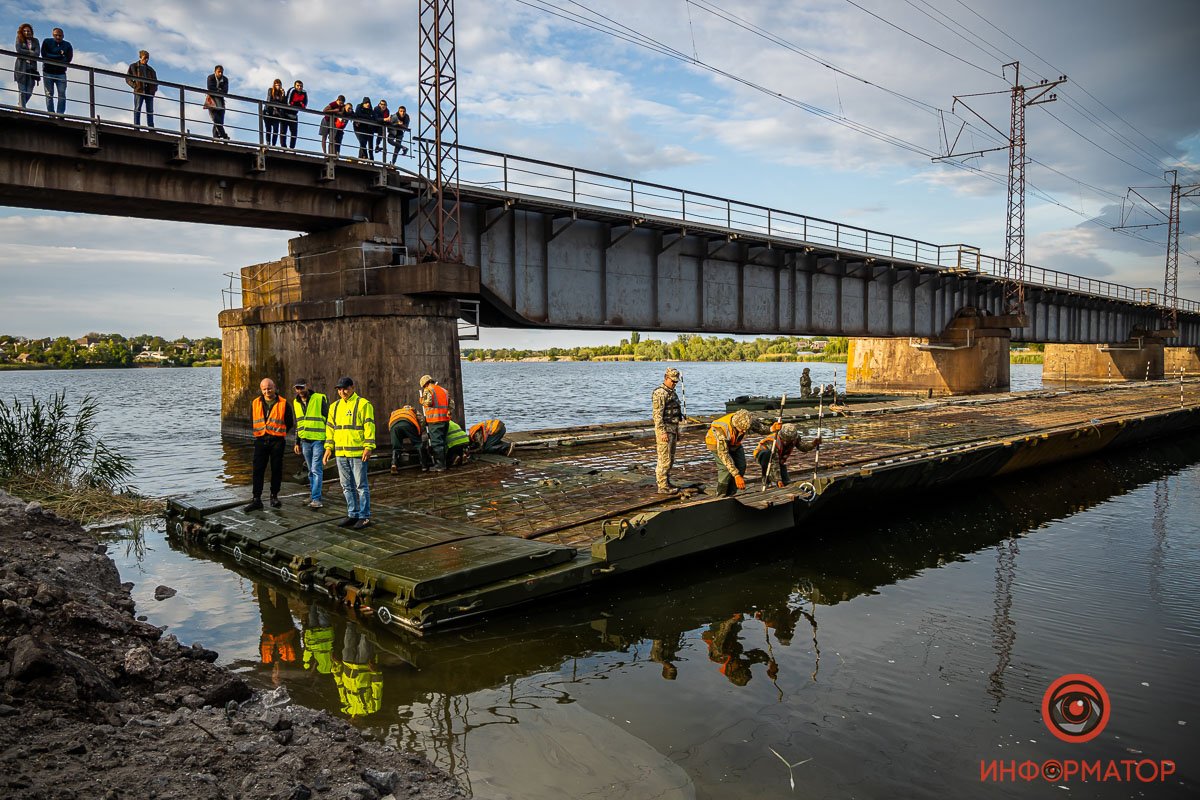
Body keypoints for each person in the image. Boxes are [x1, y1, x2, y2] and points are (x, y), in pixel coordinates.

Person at [322, 376, 375, 530]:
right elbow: (330, 429)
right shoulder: (334, 407)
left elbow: (369, 426)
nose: (342, 392)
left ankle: (364, 516)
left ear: (352, 387)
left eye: (345, 388)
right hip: (341, 453)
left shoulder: (363, 404)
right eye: (339, 389)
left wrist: (368, 446)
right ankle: (353, 513)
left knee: (361, 485)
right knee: (346, 486)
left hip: (358, 453)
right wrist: (328, 448)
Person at [243, 378, 295, 512]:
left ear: (275, 387)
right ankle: (256, 499)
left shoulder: (284, 403)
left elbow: (289, 422)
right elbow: (252, 419)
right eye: (264, 389)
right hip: (260, 440)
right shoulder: (255, 403)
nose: (267, 391)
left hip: (277, 441)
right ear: (261, 390)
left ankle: (274, 496)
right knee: (258, 469)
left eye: (269, 388)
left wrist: (278, 432)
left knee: (276, 469)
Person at [705, 409, 772, 497]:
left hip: (734, 443)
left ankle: (732, 492)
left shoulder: (746, 419)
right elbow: (724, 454)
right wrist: (736, 475)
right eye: (742, 430)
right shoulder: (721, 430)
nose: (744, 432)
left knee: (741, 465)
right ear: (736, 425)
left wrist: (771, 429)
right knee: (725, 469)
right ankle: (721, 494)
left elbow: (759, 428)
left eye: (745, 430)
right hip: (716, 443)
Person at [292, 379, 329, 509]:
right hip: (305, 441)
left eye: (301, 388)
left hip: (318, 439)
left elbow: (328, 419)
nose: (300, 391)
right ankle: (313, 496)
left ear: (307, 386)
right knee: (310, 470)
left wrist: (329, 441)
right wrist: (297, 442)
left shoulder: (319, 398)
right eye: (297, 388)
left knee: (316, 470)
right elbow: (299, 423)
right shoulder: (296, 403)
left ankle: (317, 499)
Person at [333, 622, 382, 718]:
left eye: (352, 723)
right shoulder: (372, 708)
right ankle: (367, 615)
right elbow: (377, 687)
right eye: (357, 725)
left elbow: (339, 684)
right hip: (364, 666)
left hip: (347, 662)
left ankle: (351, 613)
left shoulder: (346, 705)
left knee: (349, 631)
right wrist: (375, 672)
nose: (354, 722)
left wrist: (336, 665)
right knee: (366, 635)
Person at [752, 422, 820, 488]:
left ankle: (778, 481)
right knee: (768, 463)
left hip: (778, 459)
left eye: (789, 441)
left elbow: (803, 447)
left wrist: (813, 444)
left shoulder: (794, 438)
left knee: (786, 482)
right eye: (785, 440)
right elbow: (774, 463)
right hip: (762, 454)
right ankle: (766, 482)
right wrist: (778, 480)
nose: (786, 442)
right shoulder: (773, 442)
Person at [257, 585, 300, 685]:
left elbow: (261, 644)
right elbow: (297, 642)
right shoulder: (291, 659)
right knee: (281, 598)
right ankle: (278, 580)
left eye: (275, 676)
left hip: (269, 627)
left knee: (263, 600)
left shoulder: (266, 661)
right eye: (279, 676)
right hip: (285, 626)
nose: (277, 673)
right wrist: (293, 630)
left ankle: (261, 581)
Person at [651, 367, 683, 494]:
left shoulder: (672, 393)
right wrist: (662, 432)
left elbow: (675, 414)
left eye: (676, 382)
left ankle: (666, 482)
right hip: (664, 431)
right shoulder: (660, 393)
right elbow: (657, 415)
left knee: (671, 458)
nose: (674, 384)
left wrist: (677, 431)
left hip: (673, 429)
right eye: (672, 381)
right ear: (666, 378)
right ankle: (662, 485)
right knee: (664, 458)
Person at [418, 374, 453, 472]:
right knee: (443, 442)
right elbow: (452, 405)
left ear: (425, 384)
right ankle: (446, 462)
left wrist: (422, 401)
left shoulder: (428, 390)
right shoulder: (444, 391)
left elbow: (428, 402)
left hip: (434, 421)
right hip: (445, 420)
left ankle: (440, 466)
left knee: (437, 444)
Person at [40, 27, 72, 115]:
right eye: (56, 35)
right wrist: (59, 56)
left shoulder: (67, 45)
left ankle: (60, 114)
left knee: (62, 94)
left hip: (61, 73)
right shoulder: (47, 42)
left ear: (63, 36)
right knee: (49, 94)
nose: (58, 37)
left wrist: (53, 56)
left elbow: (68, 59)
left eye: (60, 35)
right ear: (53, 35)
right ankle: (51, 113)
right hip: (48, 71)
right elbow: (44, 55)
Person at [125, 50, 157, 129]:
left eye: (147, 58)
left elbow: (155, 82)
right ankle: (136, 127)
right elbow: (128, 78)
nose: (146, 60)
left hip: (149, 92)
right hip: (139, 90)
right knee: (137, 108)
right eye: (145, 58)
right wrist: (135, 86)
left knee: (150, 110)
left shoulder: (151, 70)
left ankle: (151, 128)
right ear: (140, 57)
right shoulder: (134, 66)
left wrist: (153, 90)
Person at [388, 404, 424, 473]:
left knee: (396, 447)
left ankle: (394, 464)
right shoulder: (413, 410)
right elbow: (422, 421)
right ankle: (424, 465)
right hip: (407, 423)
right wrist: (419, 433)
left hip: (394, 425)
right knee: (418, 444)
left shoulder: (396, 412)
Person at [13, 24, 40, 110]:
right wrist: (31, 51)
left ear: (31, 32)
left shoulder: (35, 41)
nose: (27, 32)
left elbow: (37, 53)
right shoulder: (19, 39)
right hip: (21, 67)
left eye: (28, 31)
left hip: (32, 68)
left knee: (29, 91)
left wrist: (27, 52)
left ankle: (20, 106)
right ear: (22, 32)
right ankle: (22, 109)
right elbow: (19, 50)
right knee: (22, 91)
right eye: (24, 31)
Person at [282, 79, 307, 149]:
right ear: (295, 86)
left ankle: (291, 148)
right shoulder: (292, 90)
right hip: (285, 114)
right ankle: (284, 147)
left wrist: (296, 103)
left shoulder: (304, 93)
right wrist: (299, 103)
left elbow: (304, 106)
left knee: (294, 133)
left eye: (301, 86)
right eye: (298, 86)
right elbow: (289, 103)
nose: (299, 87)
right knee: (284, 131)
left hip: (294, 115)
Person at [205, 65, 229, 140]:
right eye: (219, 72)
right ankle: (224, 136)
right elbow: (210, 88)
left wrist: (217, 90)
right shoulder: (210, 77)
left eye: (221, 72)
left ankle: (216, 137)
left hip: (221, 102)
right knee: (216, 119)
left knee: (220, 121)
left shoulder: (225, 79)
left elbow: (225, 91)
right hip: (211, 101)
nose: (220, 74)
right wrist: (219, 90)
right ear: (215, 72)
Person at [262, 79, 285, 146]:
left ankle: (273, 145)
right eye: (277, 85)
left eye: (279, 85)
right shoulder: (270, 90)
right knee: (268, 130)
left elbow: (284, 104)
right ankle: (268, 144)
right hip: (268, 112)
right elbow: (269, 100)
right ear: (274, 85)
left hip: (276, 114)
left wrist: (283, 95)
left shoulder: (282, 93)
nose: (278, 86)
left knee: (276, 130)